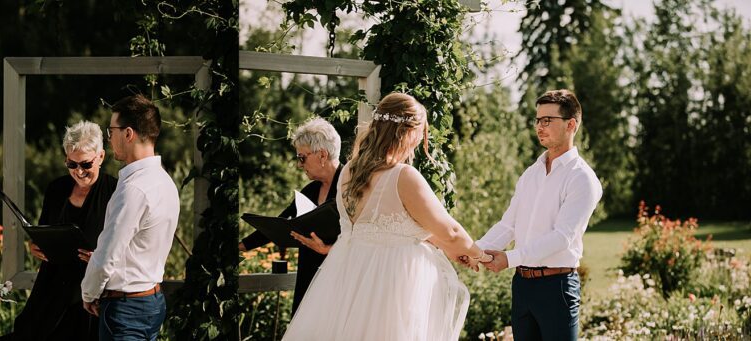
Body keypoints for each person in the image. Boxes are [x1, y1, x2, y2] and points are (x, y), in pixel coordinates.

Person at [282, 93, 490, 340]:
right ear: (409, 132)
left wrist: (451, 248)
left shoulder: (349, 171)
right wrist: (480, 255)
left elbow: (395, 228)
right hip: (392, 285)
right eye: (420, 133)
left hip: (350, 280)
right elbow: (452, 231)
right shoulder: (403, 176)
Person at [477, 89, 602, 341]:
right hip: (522, 285)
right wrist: (475, 250)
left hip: (556, 287)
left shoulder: (582, 178)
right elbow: (508, 224)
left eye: (547, 120)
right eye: (537, 120)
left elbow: (562, 237)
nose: (539, 126)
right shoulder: (531, 173)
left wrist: (509, 258)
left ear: (571, 124)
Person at [0, 121, 117, 341]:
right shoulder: (56, 189)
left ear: (101, 157)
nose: (79, 172)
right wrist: (37, 245)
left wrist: (101, 258)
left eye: (86, 164)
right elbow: (45, 229)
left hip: (88, 294)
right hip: (52, 288)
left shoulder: (115, 192)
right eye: (72, 165)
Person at [80, 94, 180, 341]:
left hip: (126, 309)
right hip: (152, 300)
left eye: (111, 130)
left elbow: (106, 256)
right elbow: (142, 245)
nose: (108, 137)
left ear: (128, 133)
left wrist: (89, 293)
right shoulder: (166, 183)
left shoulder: (133, 189)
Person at [239, 116, 343, 312]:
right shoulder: (310, 191)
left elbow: (365, 238)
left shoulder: (351, 189)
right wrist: (242, 246)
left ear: (322, 155)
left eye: (302, 157)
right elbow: (278, 224)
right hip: (309, 277)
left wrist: (328, 248)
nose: (299, 165)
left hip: (340, 281)